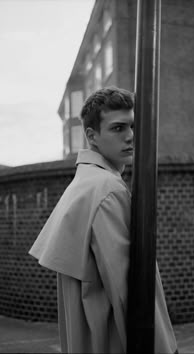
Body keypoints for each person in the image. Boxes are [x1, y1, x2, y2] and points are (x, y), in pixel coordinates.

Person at [29, 86, 178, 354]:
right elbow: (130, 294)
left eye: (133, 126)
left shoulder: (84, 183)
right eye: (118, 128)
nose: (131, 136)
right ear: (92, 136)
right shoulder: (108, 189)